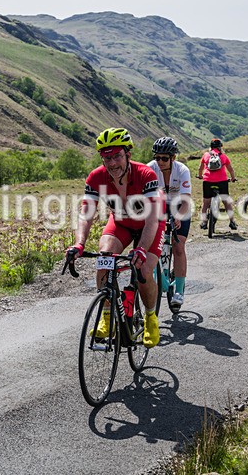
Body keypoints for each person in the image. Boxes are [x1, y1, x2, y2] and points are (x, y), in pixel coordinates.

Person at [65, 128, 165, 348]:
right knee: (104, 258)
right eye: (107, 157)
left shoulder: (146, 175)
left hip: (150, 225)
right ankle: (108, 315)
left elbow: (152, 221)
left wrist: (140, 249)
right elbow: (86, 214)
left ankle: (150, 317)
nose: (112, 163)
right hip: (121, 223)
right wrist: (79, 243)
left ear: (128, 154)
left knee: (144, 270)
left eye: (117, 156)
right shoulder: (96, 177)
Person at [147, 136, 192, 313]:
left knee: (178, 246)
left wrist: (179, 216)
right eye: (157, 158)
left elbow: (186, 199)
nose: (160, 162)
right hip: (158, 206)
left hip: (179, 205)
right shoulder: (150, 168)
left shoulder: (182, 170)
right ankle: (158, 277)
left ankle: (179, 290)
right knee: (152, 243)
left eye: (164, 158)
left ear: (173, 158)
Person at [197, 138, 238, 231]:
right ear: (220, 147)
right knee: (226, 202)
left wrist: (200, 176)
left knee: (205, 203)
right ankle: (232, 222)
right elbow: (231, 169)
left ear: (211, 147)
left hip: (207, 181)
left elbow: (200, 168)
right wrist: (232, 178)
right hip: (222, 181)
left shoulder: (206, 155)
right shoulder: (223, 156)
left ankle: (203, 222)